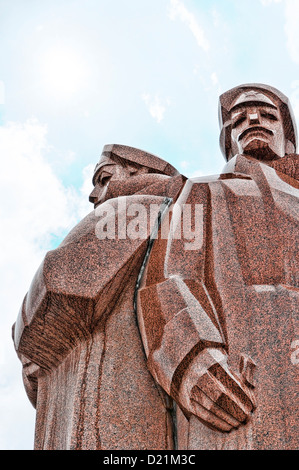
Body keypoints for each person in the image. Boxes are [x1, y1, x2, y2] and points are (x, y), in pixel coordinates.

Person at [137, 83, 299, 450]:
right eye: (239, 118)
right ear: (229, 141)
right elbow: (171, 278)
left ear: (288, 140)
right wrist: (192, 359)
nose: (252, 120)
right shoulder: (204, 191)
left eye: (267, 114)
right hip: (244, 374)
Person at [12, 144, 186, 450]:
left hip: (110, 393)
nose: (93, 196)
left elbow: (59, 281)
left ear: (140, 173)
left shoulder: (140, 207)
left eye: (103, 178)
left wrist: (21, 333)